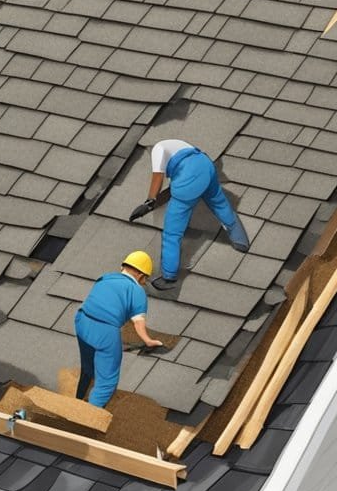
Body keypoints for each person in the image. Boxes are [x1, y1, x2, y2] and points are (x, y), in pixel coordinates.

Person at [129, 139, 250, 290]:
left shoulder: (157, 150)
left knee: (172, 233)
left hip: (189, 179)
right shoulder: (174, 145)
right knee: (220, 204)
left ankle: (169, 277)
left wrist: (149, 202)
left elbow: (158, 178)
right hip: (206, 166)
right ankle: (241, 241)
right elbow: (173, 186)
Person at [74, 252, 164, 409]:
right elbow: (138, 322)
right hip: (105, 330)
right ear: (141, 276)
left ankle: (78, 397)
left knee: (89, 365)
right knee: (107, 380)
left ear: (123, 267)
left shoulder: (105, 278)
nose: (144, 283)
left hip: (82, 320)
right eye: (145, 280)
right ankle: (88, 415)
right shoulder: (136, 291)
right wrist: (148, 340)